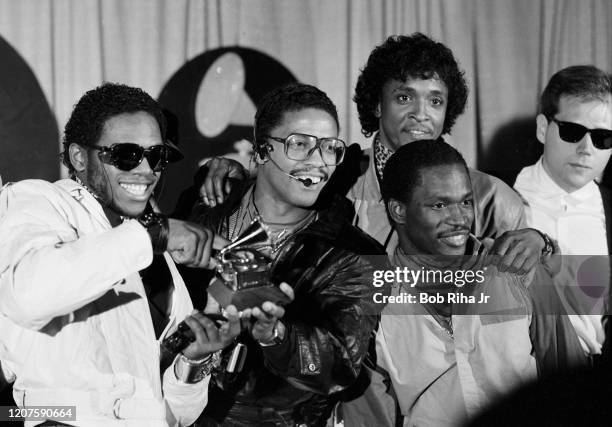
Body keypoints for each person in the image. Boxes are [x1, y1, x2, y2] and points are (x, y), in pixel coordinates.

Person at [194, 33, 549, 274]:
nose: (421, 114)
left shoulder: (492, 197)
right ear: (377, 105)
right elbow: (273, 197)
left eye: (435, 100)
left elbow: (532, 294)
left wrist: (543, 245)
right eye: (405, 97)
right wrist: (234, 173)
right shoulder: (333, 174)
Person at [0, 83, 246, 427]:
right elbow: (28, 296)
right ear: (78, 157)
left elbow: (174, 415)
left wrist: (192, 362)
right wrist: (153, 235)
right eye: (126, 155)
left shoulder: (155, 251)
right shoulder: (42, 202)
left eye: (157, 155)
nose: (146, 170)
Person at [186, 83, 389, 426]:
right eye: (300, 144)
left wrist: (276, 335)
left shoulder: (360, 255)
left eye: (329, 148)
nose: (319, 161)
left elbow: (339, 366)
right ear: (261, 151)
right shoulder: (207, 210)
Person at [376, 140, 584, 427]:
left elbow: (571, 379)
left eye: (466, 202)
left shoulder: (518, 269)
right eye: (439, 205)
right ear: (399, 211)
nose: (460, 219)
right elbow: (374, 411)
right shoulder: (375, 297)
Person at [514, 65, 612, 357]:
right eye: (572, 131)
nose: (586, 148)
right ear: (543, 128)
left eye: (603, 138)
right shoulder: (496, 195)